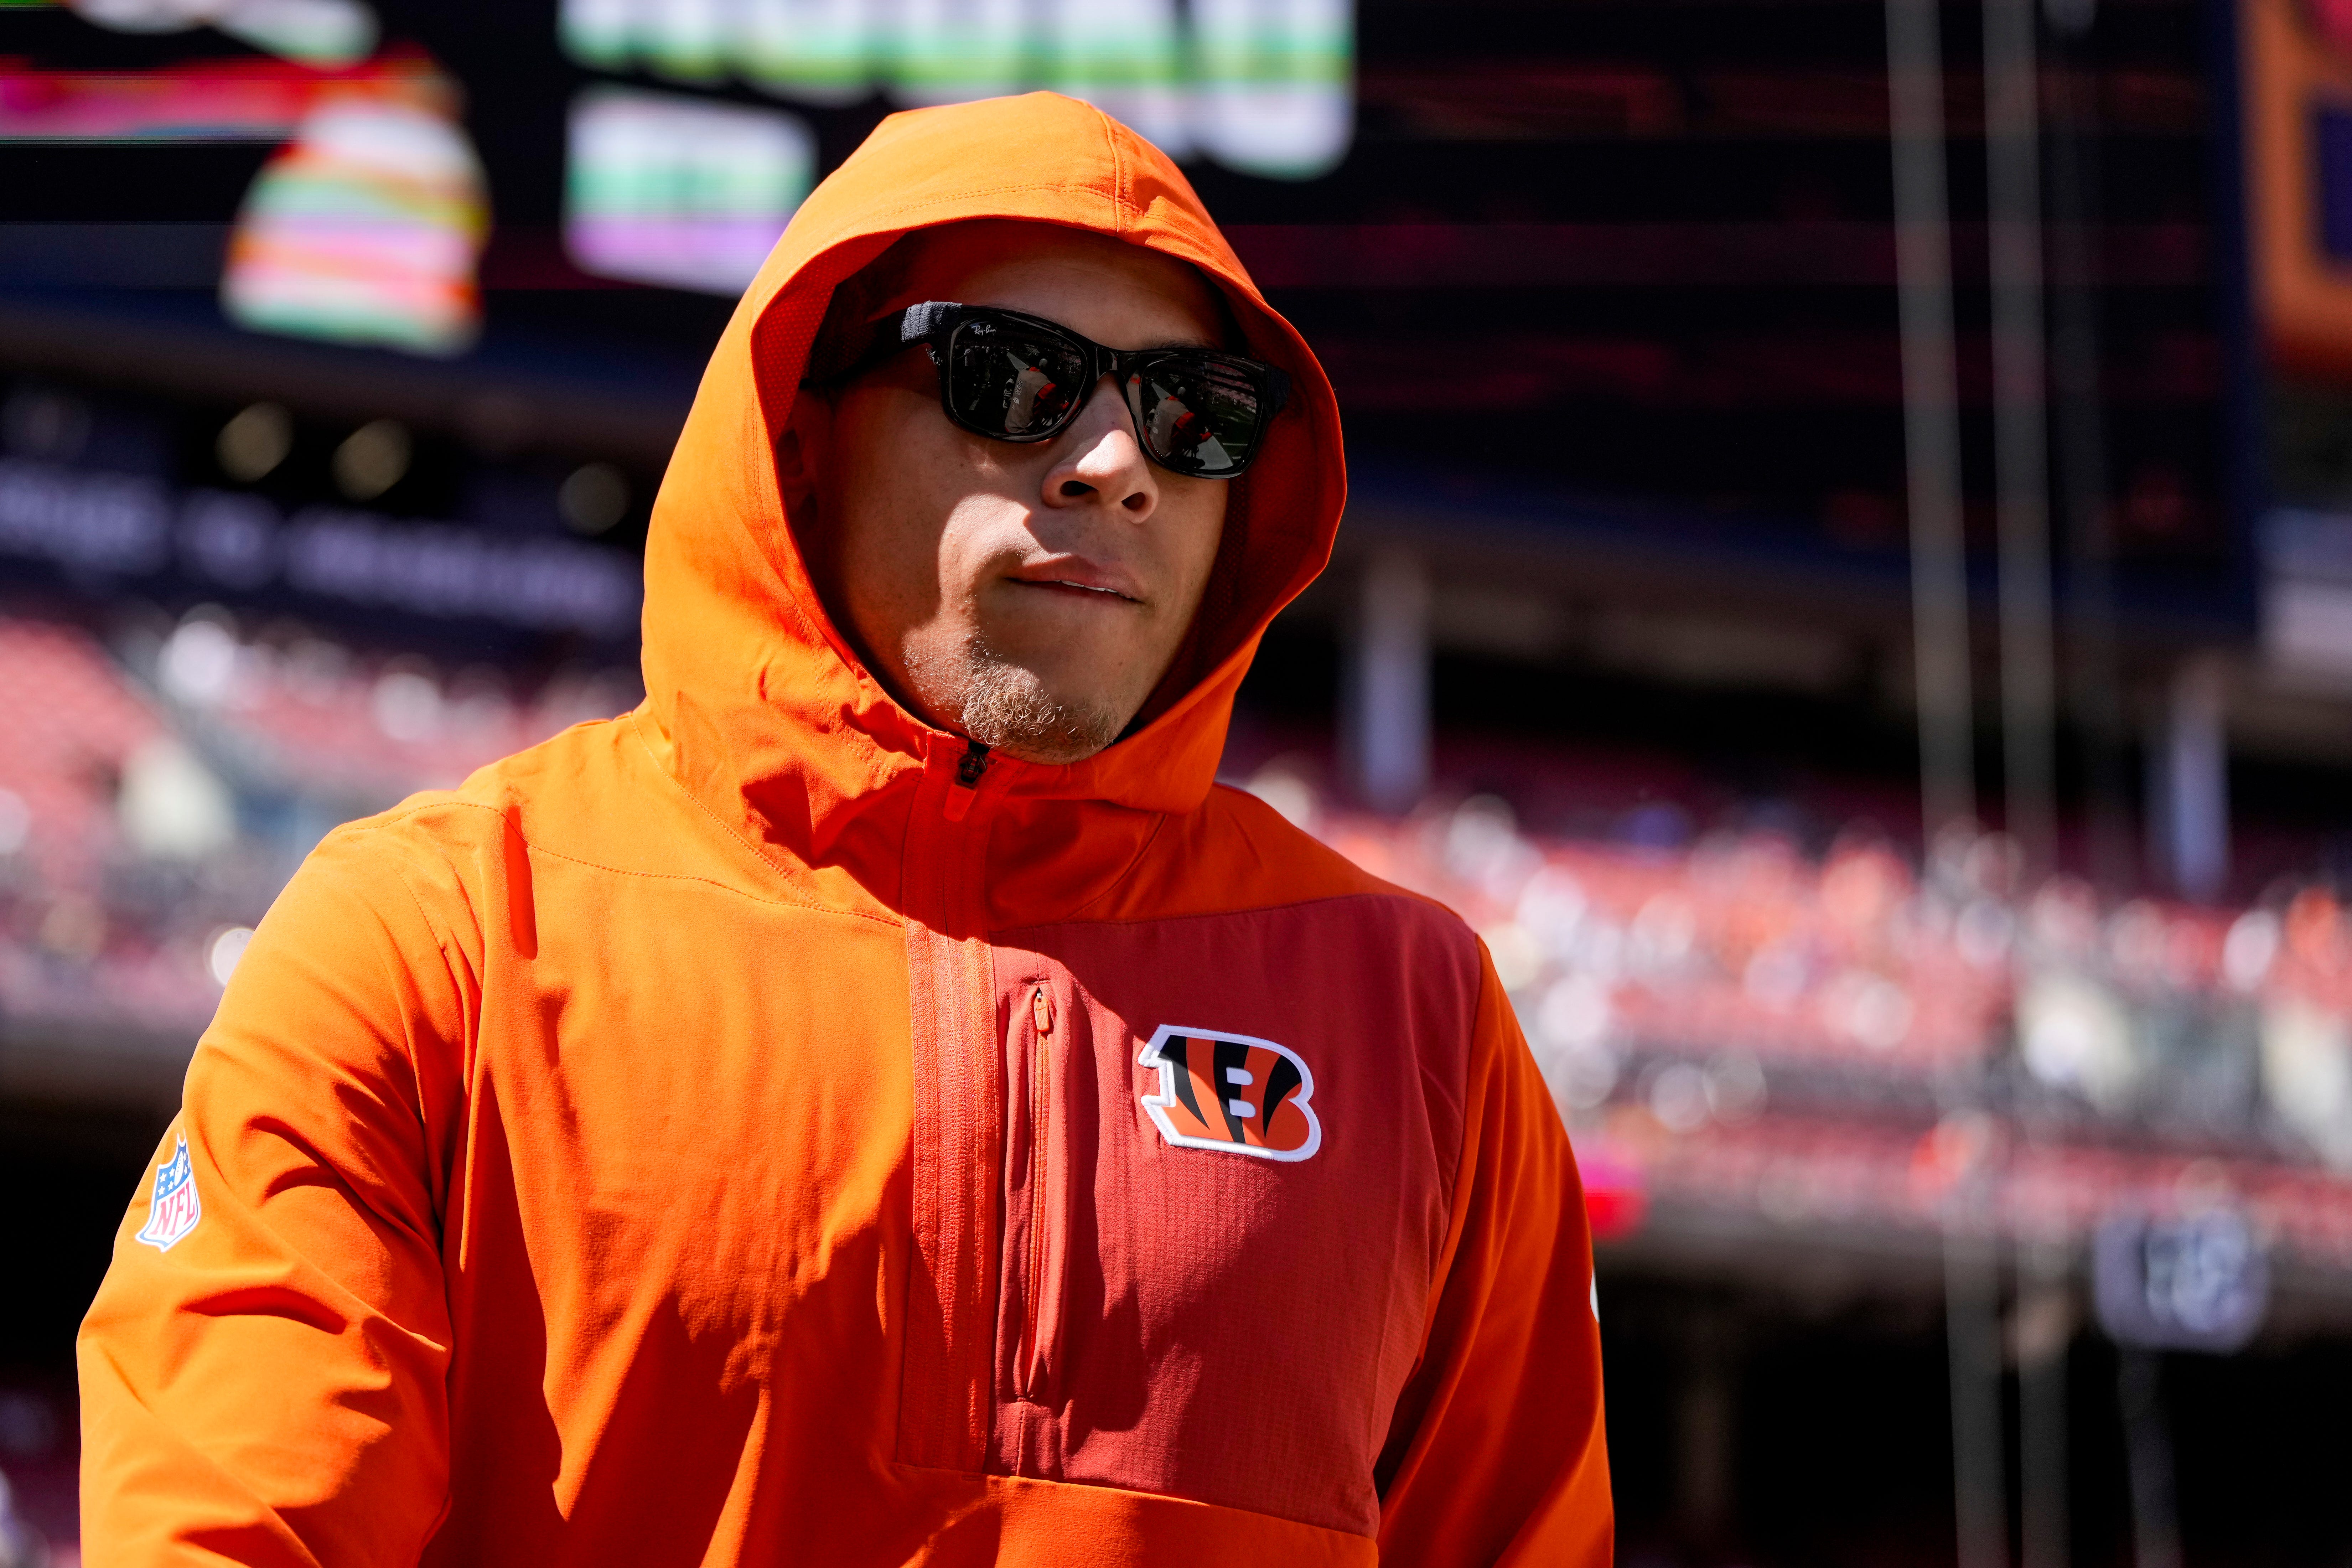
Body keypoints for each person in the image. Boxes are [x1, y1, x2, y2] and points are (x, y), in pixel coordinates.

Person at [78, 93, 1612, 1567]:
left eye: (1194, 416)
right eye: (1016, 377)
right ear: (800, 431)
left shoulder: (1422, 1027)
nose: (1114, 465)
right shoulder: (441, 940)